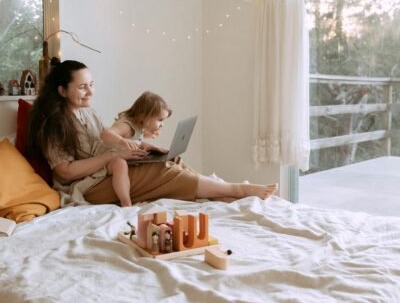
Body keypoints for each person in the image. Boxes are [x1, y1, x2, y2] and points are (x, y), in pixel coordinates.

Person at [28, 60, 278, 207]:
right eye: (82, 87)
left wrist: (142, 147)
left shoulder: (87, 112)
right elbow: (66, 171)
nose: (90, 92)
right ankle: (237, 191)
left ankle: (221, 191)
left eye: (91, 85)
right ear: (61, 91)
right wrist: (113, 156)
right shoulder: (53, 125)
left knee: (169, 159)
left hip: (107, 170)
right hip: (88, 186)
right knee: (161, 171)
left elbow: (105, 142)